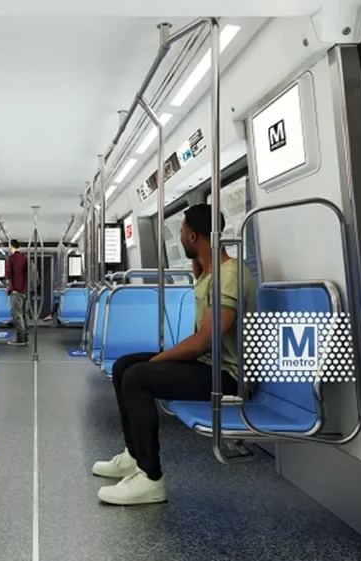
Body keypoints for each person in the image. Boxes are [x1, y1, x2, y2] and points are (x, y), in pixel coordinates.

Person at [92, 204, 254, 505]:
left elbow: (206, 340)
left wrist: (161, 359)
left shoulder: (228, 275)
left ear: (193, 236)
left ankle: (150, 478)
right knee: (125, 364)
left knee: (139, 376)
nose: (179, 238)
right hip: (209, 365)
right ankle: (135, 454)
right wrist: (201, 261)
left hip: (227, 375)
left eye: (181, 233)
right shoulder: (211, 272)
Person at [4, 239, 29, 346]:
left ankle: (20, 339)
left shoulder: (11, 258)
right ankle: (25, 337)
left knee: (17, 315)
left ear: (11, 247)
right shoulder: (25, 258)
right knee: (24, 314)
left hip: (15, 291)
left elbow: (8, 274)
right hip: (24, 290)